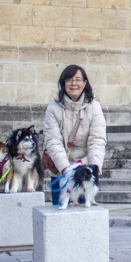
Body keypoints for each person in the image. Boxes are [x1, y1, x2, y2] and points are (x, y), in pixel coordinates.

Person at [42, 65, 107, 206]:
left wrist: (94, 167)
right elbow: (53, 141)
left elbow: (97, 140)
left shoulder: (94, 107)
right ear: (63, 83)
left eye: (78, 79)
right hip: (61, 170)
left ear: (84, 83)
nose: (74, 83)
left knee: (84, 217)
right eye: (69, 79)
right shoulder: (53, 109)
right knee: (59, 212)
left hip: (84, 171)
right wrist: (66, 170)